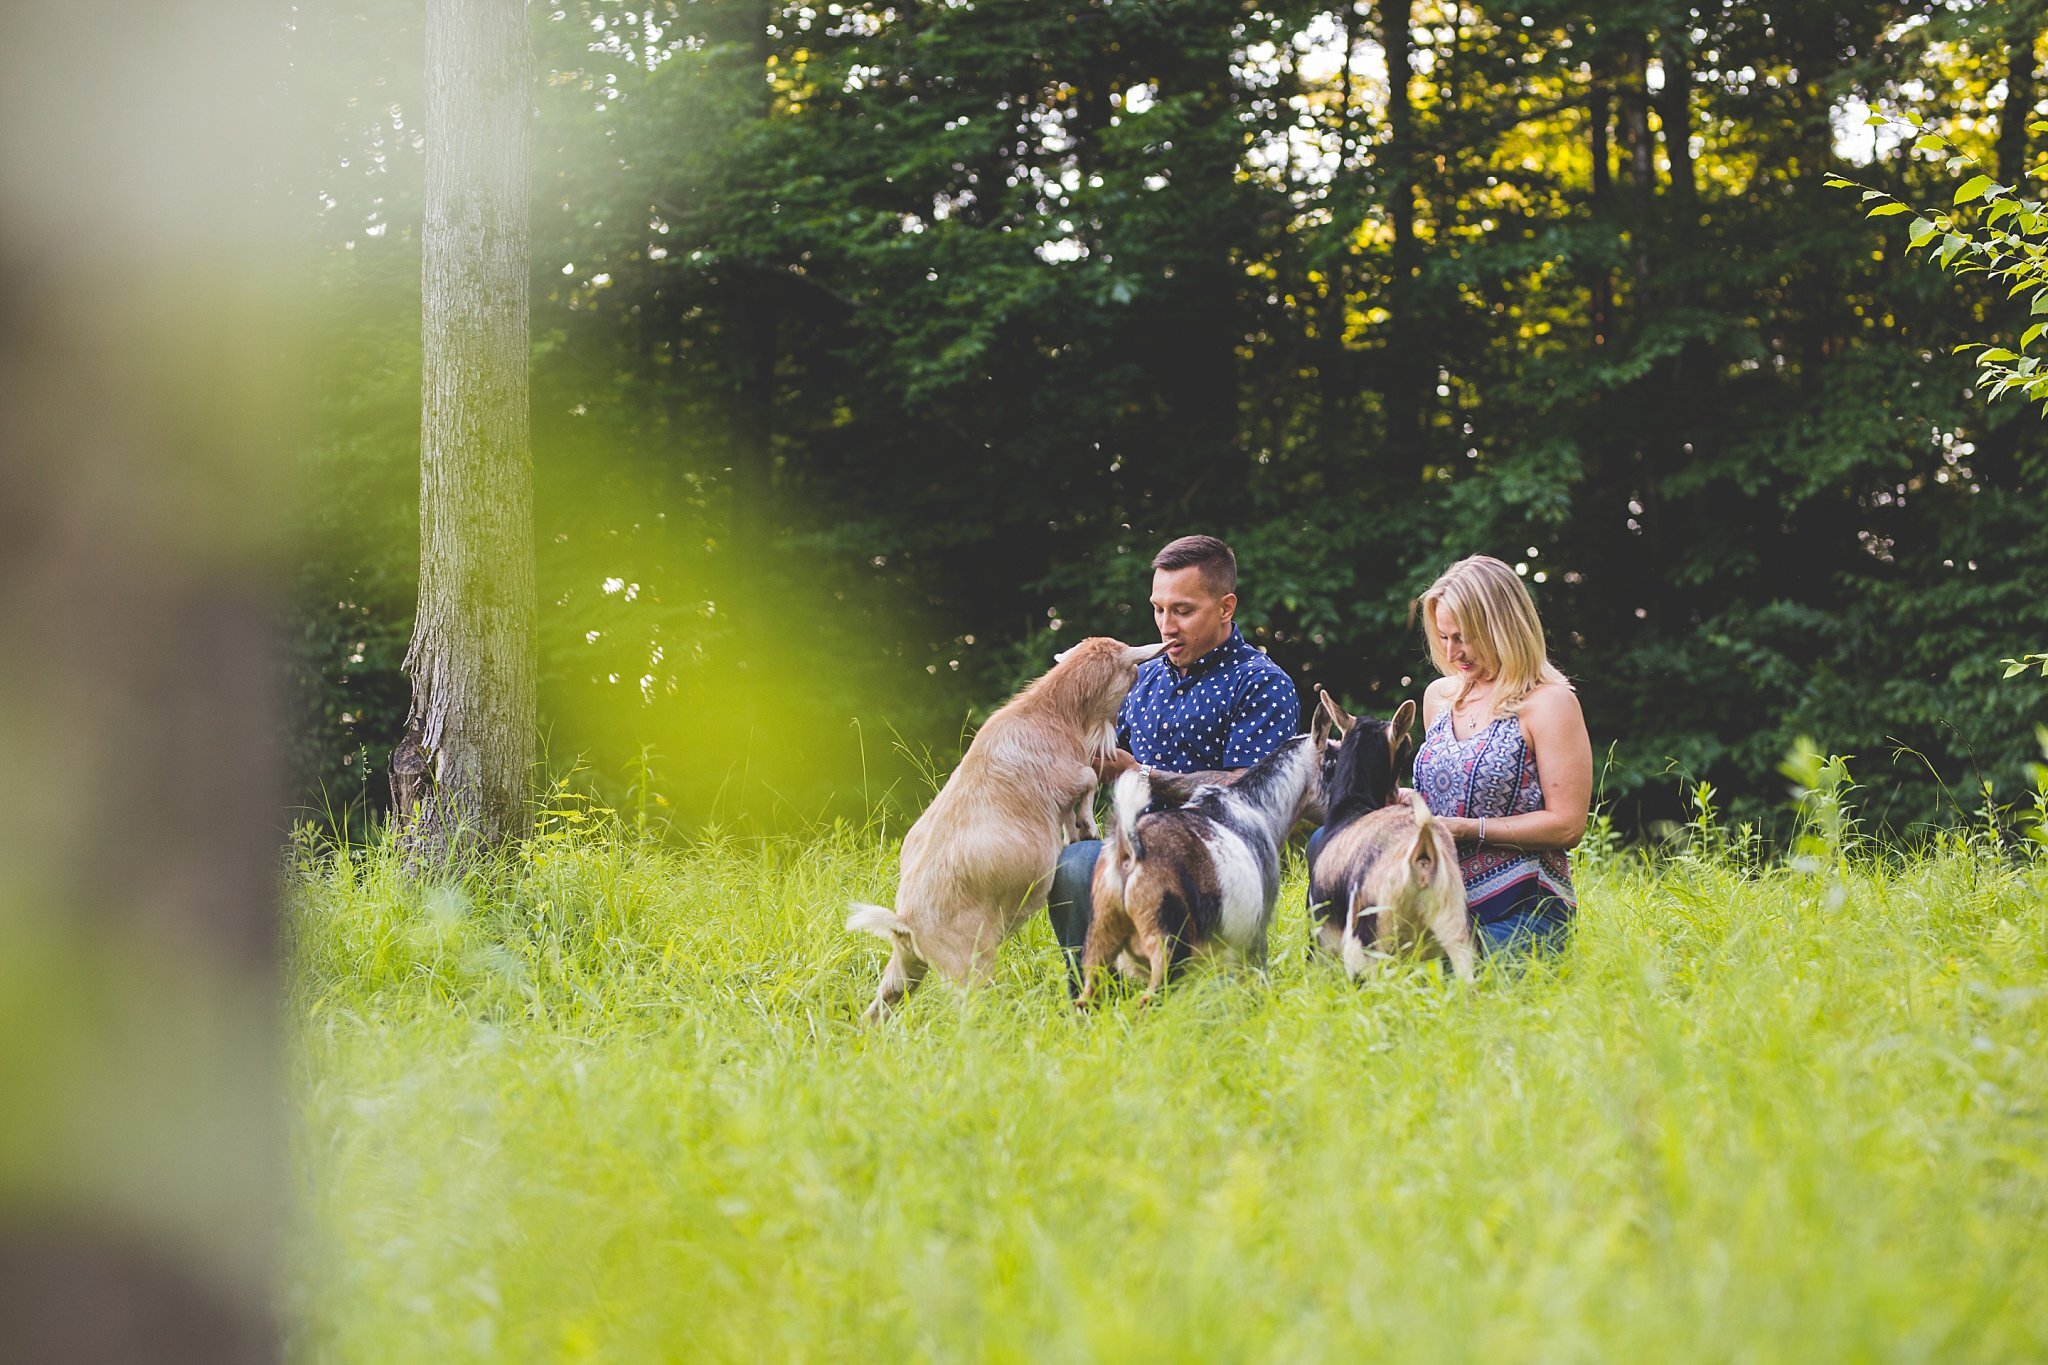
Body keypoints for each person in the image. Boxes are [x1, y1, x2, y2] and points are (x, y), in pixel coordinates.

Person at [1045, 535, 1300, 979]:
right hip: (1130, 847)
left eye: (1182, 610)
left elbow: (1251, 793)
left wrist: (1141, 774)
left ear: (1225, 608)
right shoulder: (1138, 678)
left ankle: (1185, 996)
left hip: (1213, 858)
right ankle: (1094, 1007)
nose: (1166, 625)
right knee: (1074, 864)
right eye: (1158, 609)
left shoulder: (1261, 683)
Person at [1408, 554, 1592, 956]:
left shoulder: (1550, 703)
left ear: (1503, 627)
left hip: (1522, 905)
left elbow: (1567, 826)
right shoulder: (1438, 697)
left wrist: (1467, 829)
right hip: (1438, 900)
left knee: (1482, 1001)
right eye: (1443, 637)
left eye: (1464, 637)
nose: (1453, 651)